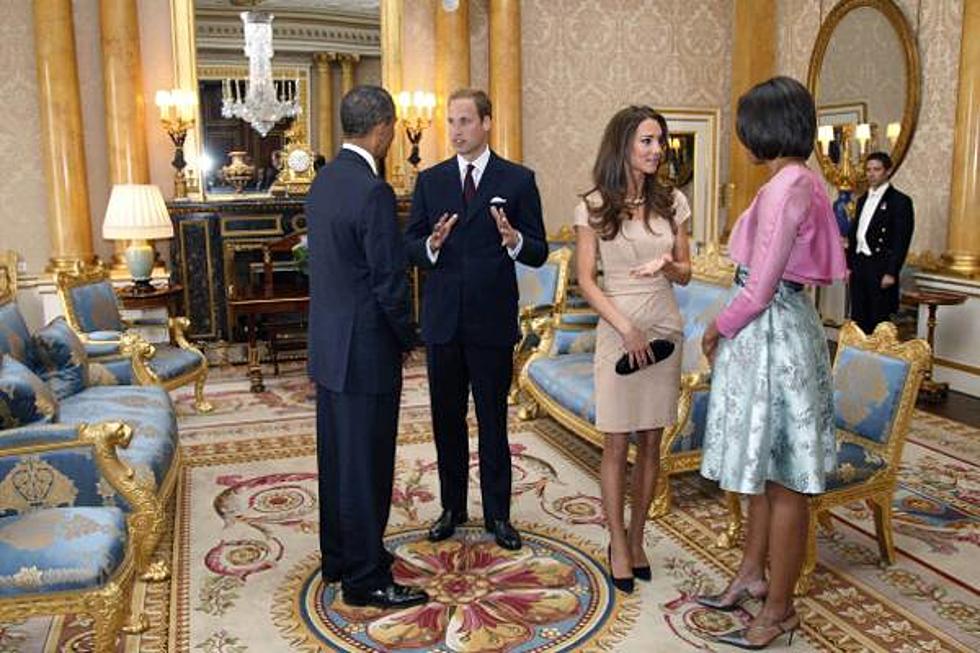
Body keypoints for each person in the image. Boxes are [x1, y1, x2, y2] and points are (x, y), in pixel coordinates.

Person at [697, 76, 847, 649]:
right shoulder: (797, 181)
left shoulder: (788, 186)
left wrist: (716, 326)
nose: (741, 137)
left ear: (763, 127)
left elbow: (760, 288)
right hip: (778, 332)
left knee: (783, 479)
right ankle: (752, 575)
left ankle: (780, 609)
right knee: (762, 472)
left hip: (775, 337)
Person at [405, 88, 548, 551]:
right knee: (447, 421)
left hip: (491, 324)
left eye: (465, 121)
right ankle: (452, 508)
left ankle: (499, 516)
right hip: (443, 322)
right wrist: (431, 243)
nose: (456, 131)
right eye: (450, 122)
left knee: (492, 423)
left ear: (486, 122)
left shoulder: (519, 179)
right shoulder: (431, 181)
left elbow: (540, 250)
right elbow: (410, 245)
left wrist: (513, 241)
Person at [306, 85, 428, 610]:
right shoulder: (373, 190)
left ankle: (338, 556)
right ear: (382, 128)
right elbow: (387, 280)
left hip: (330, 347)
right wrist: (409, 336)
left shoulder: (325, 181)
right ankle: (364, 577)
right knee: (368, 463)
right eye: (394, 128)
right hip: (366, 350)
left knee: (337, 457)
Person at [573, 106, 691, 594]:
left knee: (650, 443)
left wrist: (667, 264)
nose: (656, 149)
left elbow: (686, 271)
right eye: (647, 140)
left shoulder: (674, 202)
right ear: (623, 143)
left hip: (664, 326)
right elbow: (585, 280)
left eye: (659, 141)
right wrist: (624, 327)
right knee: (616, 441)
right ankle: (617, 542)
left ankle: (639, 538)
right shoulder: (593, 205)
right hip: (618, 327)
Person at [847, 151, 914, 334]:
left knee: (879, 321)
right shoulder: (861, 200)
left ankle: (877, 362)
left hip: (881, 267)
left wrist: (891, 272)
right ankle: (859, 359)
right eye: (868, 169)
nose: (871, 173)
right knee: (858, 317)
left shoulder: (900, 201)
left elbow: (902, 240)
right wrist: (849, 265)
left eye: (876, 169)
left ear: (888, 171)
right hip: (860, 264)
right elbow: (855, 234)